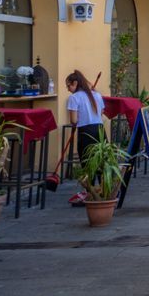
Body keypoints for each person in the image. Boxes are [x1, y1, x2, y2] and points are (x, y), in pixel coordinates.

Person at [65, 70, 106, 204]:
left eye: (69, 86)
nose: (68, 89)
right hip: (100, 130)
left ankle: (91, 194)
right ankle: (103, 191)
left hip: (86, 131)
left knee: (87, 163)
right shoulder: (97, 95)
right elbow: (101, 112)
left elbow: (74, 120)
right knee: (101, 161)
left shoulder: (74, 98)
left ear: (75, 83)